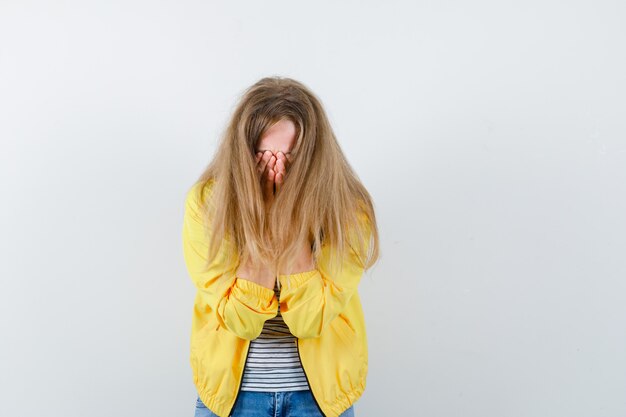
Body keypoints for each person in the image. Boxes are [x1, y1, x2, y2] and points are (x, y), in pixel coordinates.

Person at [182, 76, 380, 417]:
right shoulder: (207, 204)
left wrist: (289, 226)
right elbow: (240, 321)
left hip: (318, 400)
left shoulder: (347, 209)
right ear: (243, 154)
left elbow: (309, 320)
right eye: (264, 156)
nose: (277, 169)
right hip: (232, 398)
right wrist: (261, 228)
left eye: (290, 157)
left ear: (312, 157)